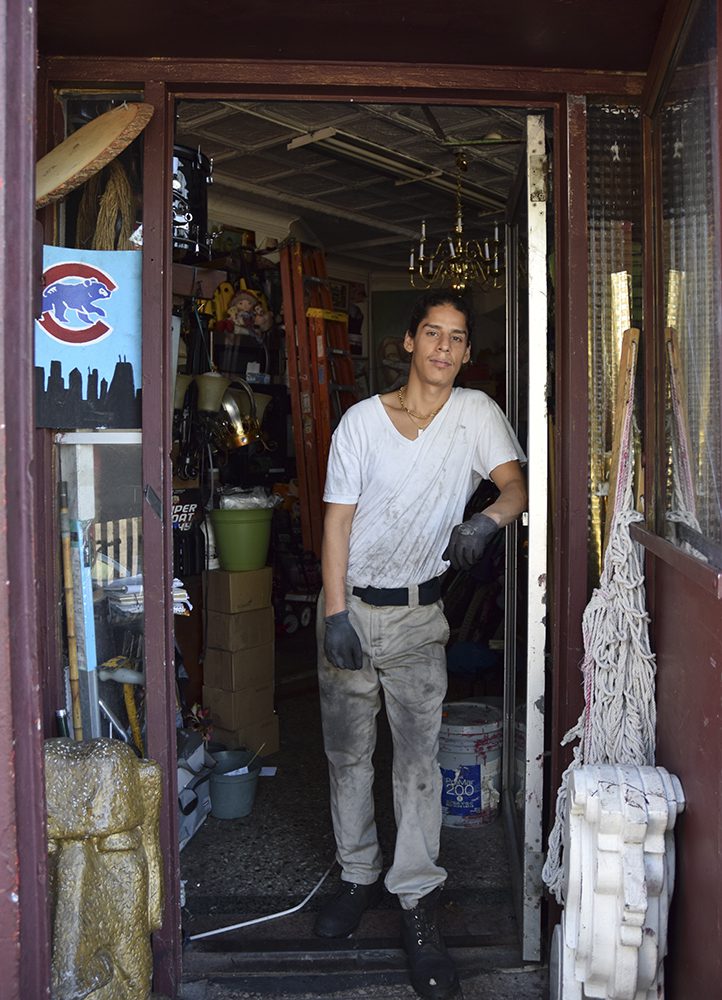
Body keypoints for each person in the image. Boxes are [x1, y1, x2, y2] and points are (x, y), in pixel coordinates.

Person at [314, 290, 527, 1000]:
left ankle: (415, 898)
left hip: (416, 620)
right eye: (431, 333)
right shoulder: (361, 424)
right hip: (351, 610)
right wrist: (337, 612)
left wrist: (488, 521)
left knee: (416, 765)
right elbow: (338, 524)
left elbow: (516, 486)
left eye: (457, 337)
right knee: (348, 754)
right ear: (407, 342)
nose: (443, 346)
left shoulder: (475, 415)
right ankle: (355, 875)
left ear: (466, 353)